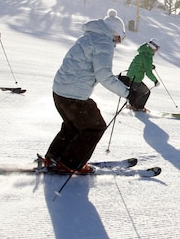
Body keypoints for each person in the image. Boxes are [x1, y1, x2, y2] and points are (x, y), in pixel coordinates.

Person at [43, 9, 144, 174]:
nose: (119, 42)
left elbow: (88, 68)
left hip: (60, 91)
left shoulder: (89, 37)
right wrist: (128, 94)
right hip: (73, 95)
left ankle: (54, 157)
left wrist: (117, 80)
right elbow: (103, 75)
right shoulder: (104, 43)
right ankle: (70, 163)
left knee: (72, 126)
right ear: (115, 32)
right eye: (120, 37)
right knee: (95, 126)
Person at [120, 39, 160, 112]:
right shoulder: (147, 56)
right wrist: (155, 81)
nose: (157, 50)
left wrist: (150, 66)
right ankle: (138, 108)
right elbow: (148, 72)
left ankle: (133, 106)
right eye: (157, 48)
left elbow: (142, 64)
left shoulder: (144, 52)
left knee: (137, 92)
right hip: (135, 79)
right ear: (153, 47)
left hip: (130, 77)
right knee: (146, 92)